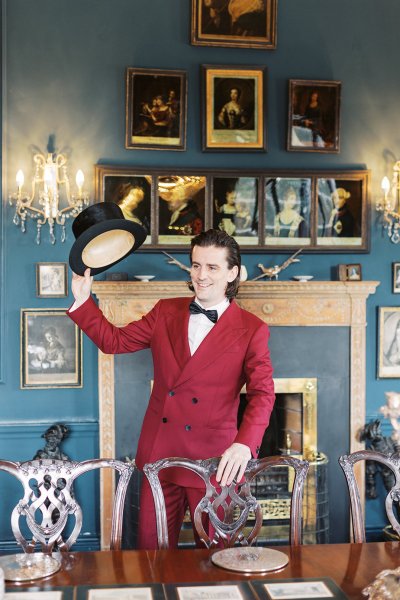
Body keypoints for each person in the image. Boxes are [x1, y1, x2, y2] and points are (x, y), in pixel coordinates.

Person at [68, 229, 275, 549]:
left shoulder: (252, 329)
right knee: (153, 552)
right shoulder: (165, 311)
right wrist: (83, 300)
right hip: (160, 455)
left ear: (232, 273)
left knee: (218, 554)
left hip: (216, 461)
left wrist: (244, 444)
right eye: (196, 265)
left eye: (212, 267)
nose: (201, 275)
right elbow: (114, 342)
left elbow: (263, 393)